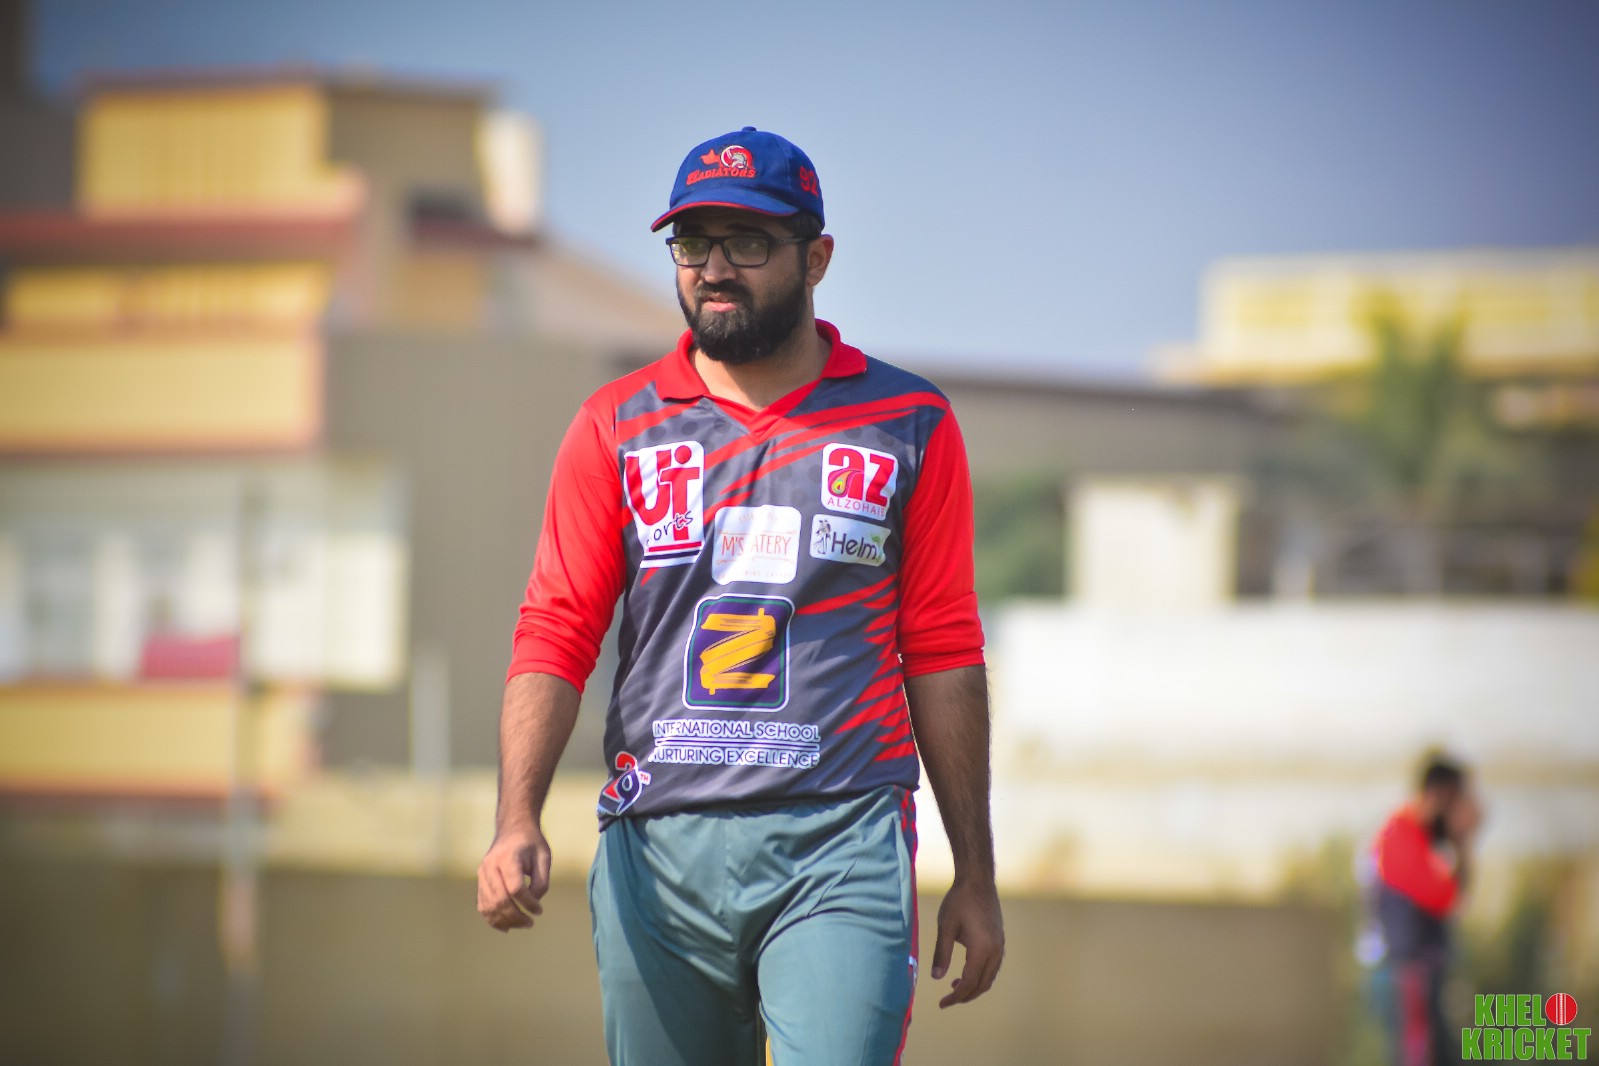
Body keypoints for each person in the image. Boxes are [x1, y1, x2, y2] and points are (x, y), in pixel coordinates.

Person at [475, 125, 1004, 1065]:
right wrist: (517, 818)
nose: (714, 269)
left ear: (816, 258)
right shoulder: (614, 424)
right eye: (692, 243)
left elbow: (942, 648)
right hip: (657, 846)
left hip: (839, 838)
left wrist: (975, 871)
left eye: (748, 242)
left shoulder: (909, 423)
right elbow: (556, 630)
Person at [1368, 753, 1483, 1066]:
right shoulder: (1401, 836)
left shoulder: (1418, 836)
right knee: (1416, 1056)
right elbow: (1448, 898)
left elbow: (1450, 898)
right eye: (1457, 798)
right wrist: (1463, 840)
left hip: (1417, 973)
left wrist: (1460, 841)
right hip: (1408, 974)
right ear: (1440, 795)